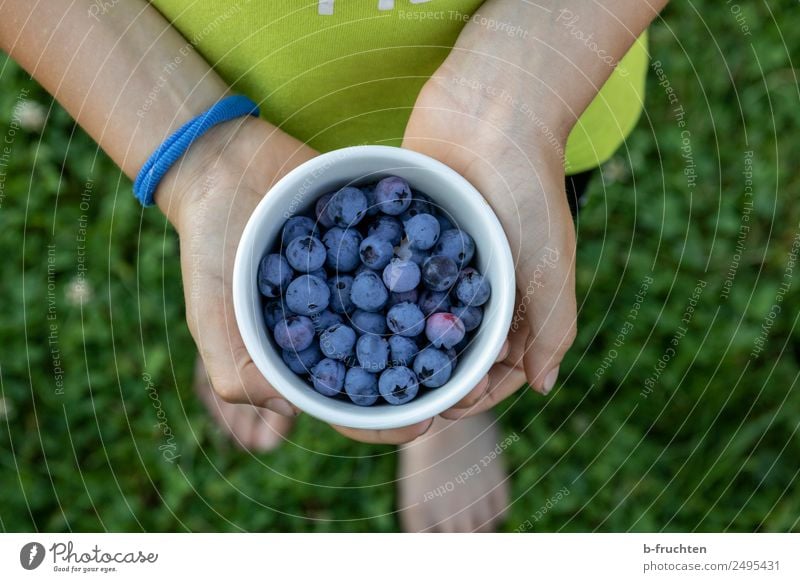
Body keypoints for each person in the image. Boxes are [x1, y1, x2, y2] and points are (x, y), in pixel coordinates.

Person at [1, 0, 667, 532]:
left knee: (509, 240)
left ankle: (443, 422)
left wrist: (533, 65)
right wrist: (201, 151)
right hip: (235, 87)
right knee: (243, 269)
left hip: (535, 96)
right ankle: (261, 321)